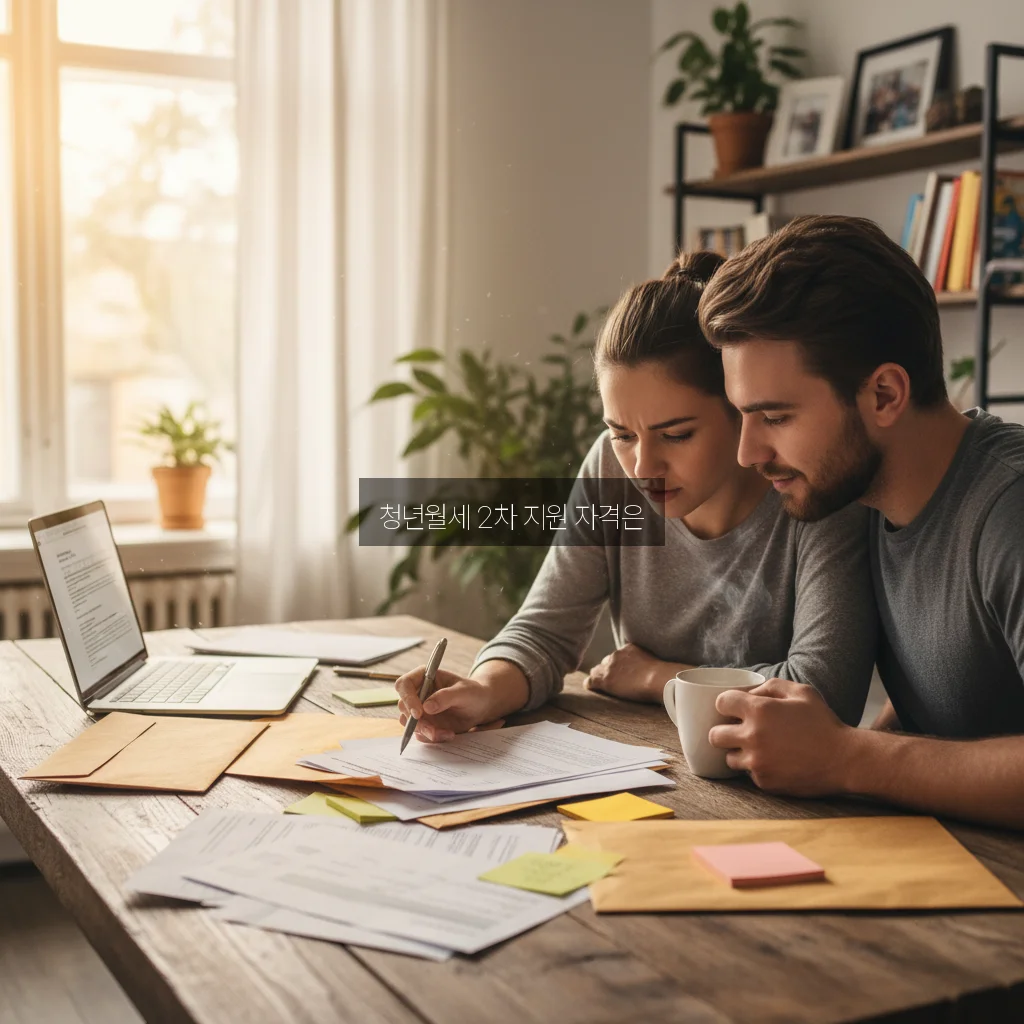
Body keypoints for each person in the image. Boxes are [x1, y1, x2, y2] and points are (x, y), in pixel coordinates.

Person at [396, 251, 877, 743]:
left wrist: (657, 677)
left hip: (774, 777)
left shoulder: (810, 489)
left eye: (677, 435)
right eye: (622, 434)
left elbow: (822, 691)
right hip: (648, 757)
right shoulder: (610, 467)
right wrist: (481, 690)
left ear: (739, 407)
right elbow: (544, 632)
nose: (643, 467)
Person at [696, 214, 1024, 830]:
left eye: (776, 417)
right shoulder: (864, 498)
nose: (747, 453)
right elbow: (953, 707)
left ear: (884, 395)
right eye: (743, 416)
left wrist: (847, 758)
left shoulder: (1010, 510)